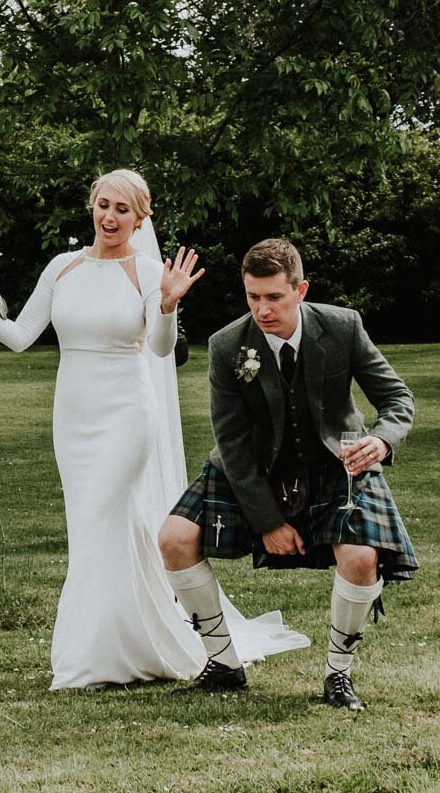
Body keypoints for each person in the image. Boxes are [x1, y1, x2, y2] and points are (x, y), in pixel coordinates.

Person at [0, 170, 308, 690]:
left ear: (140, 218)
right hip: (74, 417)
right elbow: (21, 336)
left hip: (127, 415)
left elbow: (160, 349)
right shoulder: (61, 268)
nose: (110, 218)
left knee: (102, 519)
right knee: (99, 530)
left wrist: (167, 304)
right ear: (92, 207)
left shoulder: (146, 272)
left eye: (123, 210)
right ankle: (135, 640)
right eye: (104, 205)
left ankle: (88, 659)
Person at [157, 238, 417, 711]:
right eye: (253, 297)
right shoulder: (227, 345)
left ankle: (338, 674)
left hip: (334, 462)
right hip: (255, 467)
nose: (262, 309)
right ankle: (223, 664)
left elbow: (398, 400)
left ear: (300, 289)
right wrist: (267, 521)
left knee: (360, 558)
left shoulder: (342, 327)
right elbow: (231, 443)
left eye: (273, 297)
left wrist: (381, 440)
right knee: (174, 538)